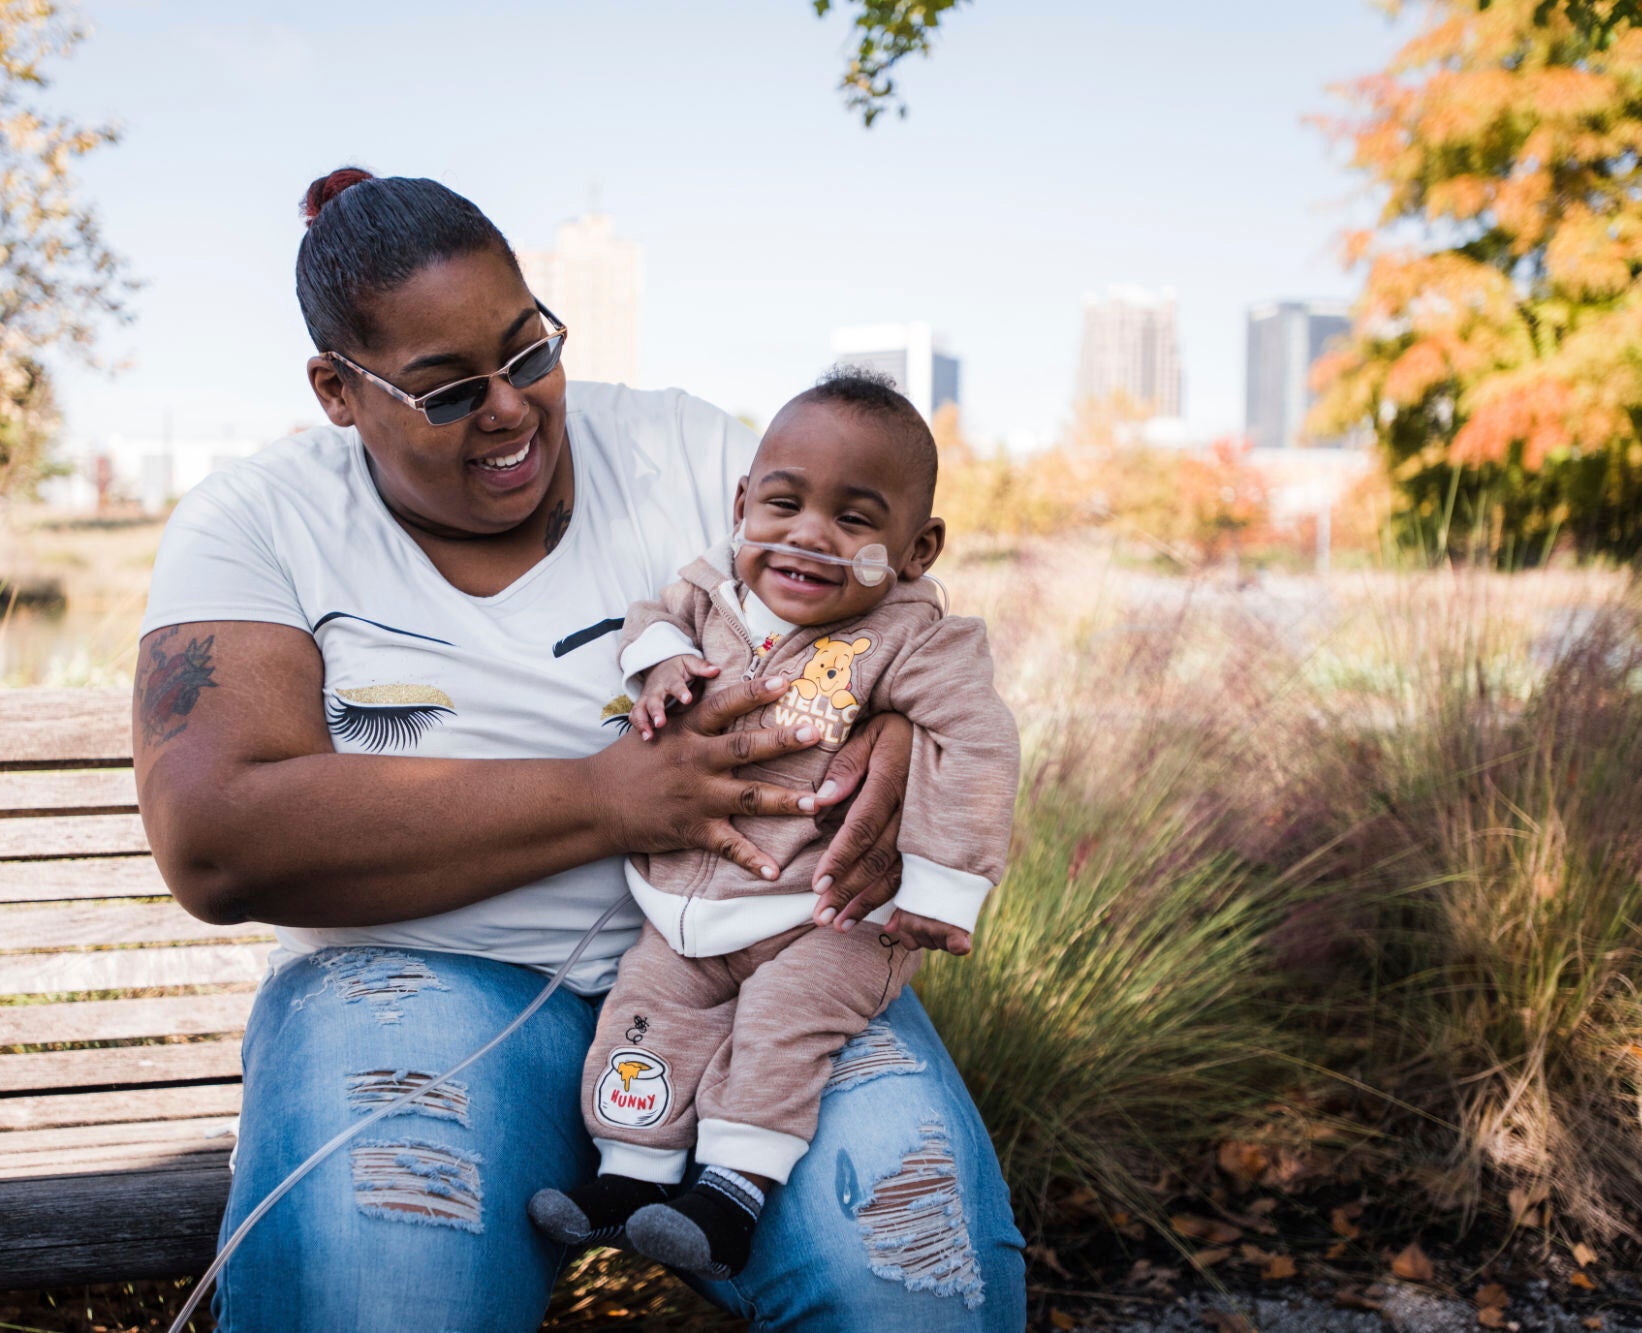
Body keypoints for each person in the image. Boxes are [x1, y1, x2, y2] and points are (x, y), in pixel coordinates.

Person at [134, 165, 1027, 1330]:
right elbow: (215, 840)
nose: (509, 408)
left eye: (527, 352)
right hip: (414, 980)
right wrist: (609, 800)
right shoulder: (256, 522)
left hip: (764, 965)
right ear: (336, 392)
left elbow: (875, 583)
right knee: (380, 1290)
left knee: (912, 1278)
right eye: (446, 390)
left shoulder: (684, 454)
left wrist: (902, 733)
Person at [528, 370, 1021, 1283]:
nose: (809, 536)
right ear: (743, 503)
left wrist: (941, 885)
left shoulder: (914, 641)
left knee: (782, 1022)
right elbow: (652, 618)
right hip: (683, 909)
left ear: (917, 548)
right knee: (648, 1015)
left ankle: (733, 1192)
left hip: (827, 916)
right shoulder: (711, 593)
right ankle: (631, 1175)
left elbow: (980, 743)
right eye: (785, 504)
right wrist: (664, 661)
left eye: (855, 519)